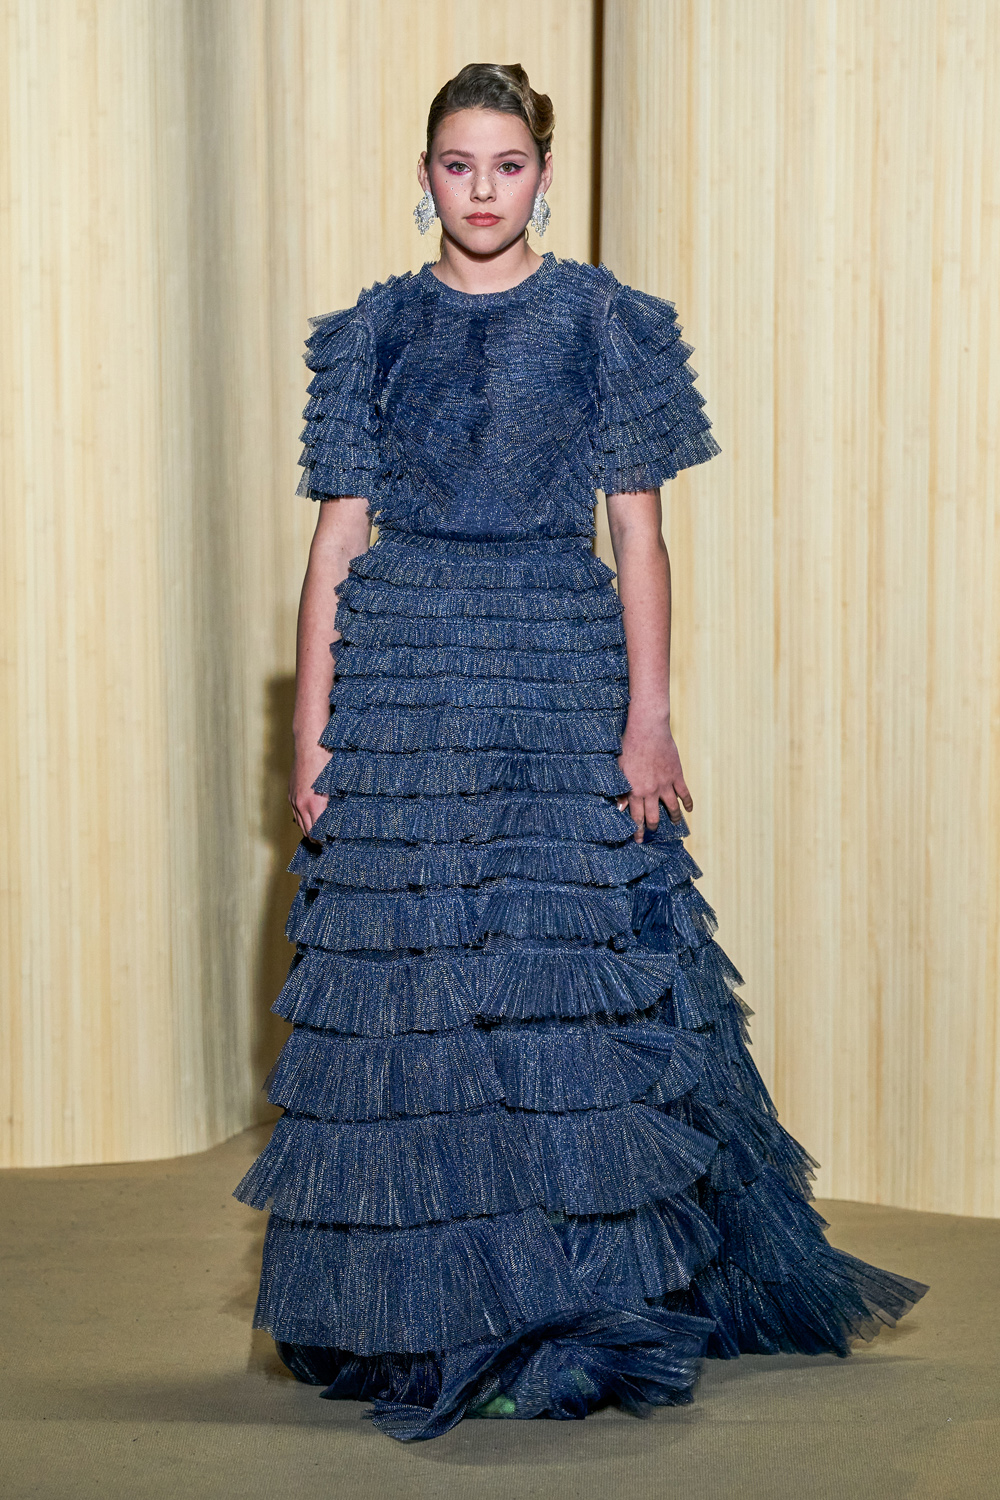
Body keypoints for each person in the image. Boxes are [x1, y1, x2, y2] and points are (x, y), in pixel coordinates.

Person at [235, 61, 926, 1442]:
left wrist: (648, 717)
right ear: (423, 175)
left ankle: (573, 1298)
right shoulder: (372, 333)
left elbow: (639, 537)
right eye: (457, 164)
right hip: (408, 683)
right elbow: (334, 544)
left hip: (558, 666)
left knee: (561, 988)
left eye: (506, 164)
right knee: (423, 988)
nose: (482, 189)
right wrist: (313, 735)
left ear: (544, 174)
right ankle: (433, 1307)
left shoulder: (608, 323)